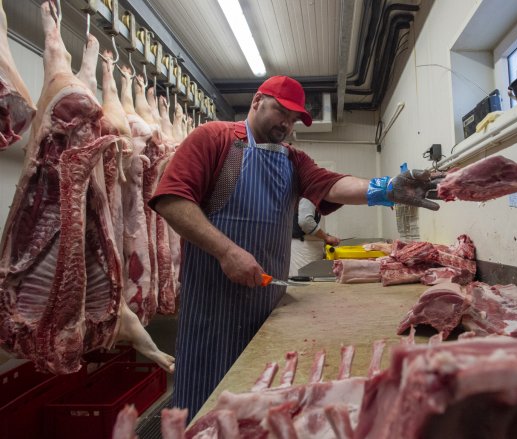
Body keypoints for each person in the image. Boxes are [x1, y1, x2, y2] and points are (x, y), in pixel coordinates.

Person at [149, 75, 441, 421]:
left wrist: (386, 189)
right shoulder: (216, 139)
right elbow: (171, 199)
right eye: (281, 112)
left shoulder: (293, 160)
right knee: (205, 409)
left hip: (266, 306)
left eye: (294, 119)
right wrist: (227, 252)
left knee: (258, 407)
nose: (286, 123)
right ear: (257, 101)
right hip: (212, 308)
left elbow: (334, 184)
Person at [289, 197, 340, 277]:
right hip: (304, 251)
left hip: (311, 250)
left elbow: (312, 226)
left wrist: (327, 237)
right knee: (304, 281)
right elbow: (305, 222)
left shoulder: (316, 198)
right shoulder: (308, 196)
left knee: (314, 281)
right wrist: (326, 237)